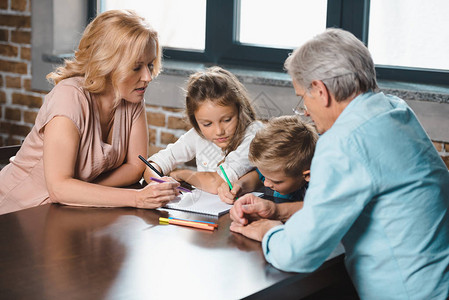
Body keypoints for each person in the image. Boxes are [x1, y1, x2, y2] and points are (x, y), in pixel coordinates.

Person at [230, 28, 449, 299]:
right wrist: (277, 211)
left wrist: (267, 231)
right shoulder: (395, 111)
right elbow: (349, 206)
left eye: (303, 97)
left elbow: (298, 254)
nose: (306, 110)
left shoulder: (343, 143)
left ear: (320, 91)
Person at [0, 10, 180, 215]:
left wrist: (86, 191)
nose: (147, 77)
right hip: (18, 213)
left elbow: (134, 167)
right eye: (136, 67)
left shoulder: (132, 96)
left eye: (149, 65)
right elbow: (59, 188)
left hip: (67, 212)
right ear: (108, 63)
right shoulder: (69, 97)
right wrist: (137, 198)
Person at [143, 66, 263, 194]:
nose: (219, 131)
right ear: (195, 121)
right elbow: (154, 164)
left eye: (227, 120)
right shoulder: (198, 135)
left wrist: (180, 174)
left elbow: (217, 183)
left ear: (239, 110)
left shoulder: (254, 134)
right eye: (207, 124)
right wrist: (158, 182)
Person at [218, 115, 317, 205]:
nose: (266, 183)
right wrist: (239, 186)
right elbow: (258, 176)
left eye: (277, 182)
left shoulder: (321, 189)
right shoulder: (278, 169)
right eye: (265, 177)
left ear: (307, 175)